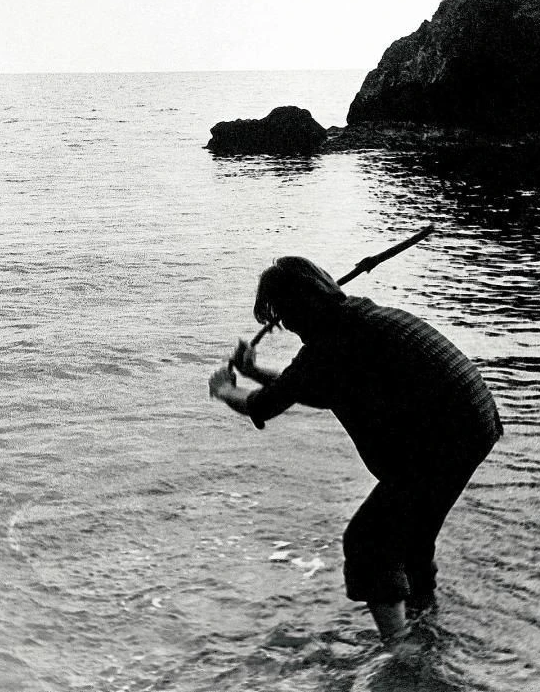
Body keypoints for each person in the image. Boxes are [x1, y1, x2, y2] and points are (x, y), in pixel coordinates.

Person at [209, 256, 503, 640]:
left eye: (284, 317)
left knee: (368, 541)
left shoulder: (331, 342)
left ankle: (400, 653)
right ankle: (425, 625)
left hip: (446, 435)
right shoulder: (354, 320)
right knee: (411, 536)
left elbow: (264, 405)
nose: (287, 327)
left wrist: (225, 390)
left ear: (297, 310)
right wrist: (253, 373)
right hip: (473, 420)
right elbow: (316, 385)